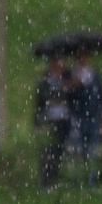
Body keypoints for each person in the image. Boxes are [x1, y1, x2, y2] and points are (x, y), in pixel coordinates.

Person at [31, 55, 73, 188]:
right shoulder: (45, 82)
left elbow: (72, 98)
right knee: (49, 150)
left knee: (60, 149)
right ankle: (47, 179)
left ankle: (57, 177)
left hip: (64, 120)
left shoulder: (67, 79)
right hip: (50, 120)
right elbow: (40, 102)